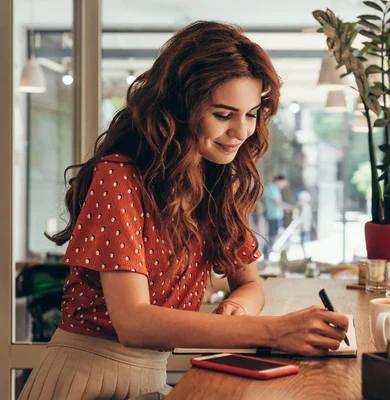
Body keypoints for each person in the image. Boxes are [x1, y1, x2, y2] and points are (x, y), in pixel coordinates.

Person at [19, 22, 348, 400]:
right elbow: (134, 323)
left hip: (148, 381)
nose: (241, 132)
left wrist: (238, 306)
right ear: (178, 109)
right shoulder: (118, 176)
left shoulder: (220, 185)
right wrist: (275, 330)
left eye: (252, 114)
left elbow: (251, 284)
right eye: (224, 115)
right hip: (85, 380)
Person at [263, 175, 293, 246]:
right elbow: (277, 202)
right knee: (272, 236)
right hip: (272, 216)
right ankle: (268, 253)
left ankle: (269, 252)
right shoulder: (271, 188)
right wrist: (289, 207)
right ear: (278, 181)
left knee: (274, 236)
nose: (284, 185)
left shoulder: (275, 189)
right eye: (283, 183)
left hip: (275, 216)